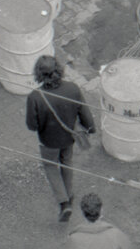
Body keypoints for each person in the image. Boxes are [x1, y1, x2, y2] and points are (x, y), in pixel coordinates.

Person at [25, 55, 95, 222]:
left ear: (39, 74)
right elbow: (84, 112)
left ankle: (64, 203)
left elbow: (32, 126)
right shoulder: (73, 88)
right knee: (66, 162)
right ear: (58, 69)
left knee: (50, 166)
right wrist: (90, 128)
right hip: (68, 137)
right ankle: (69, 195)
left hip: (48, 141)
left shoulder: (35, 97)